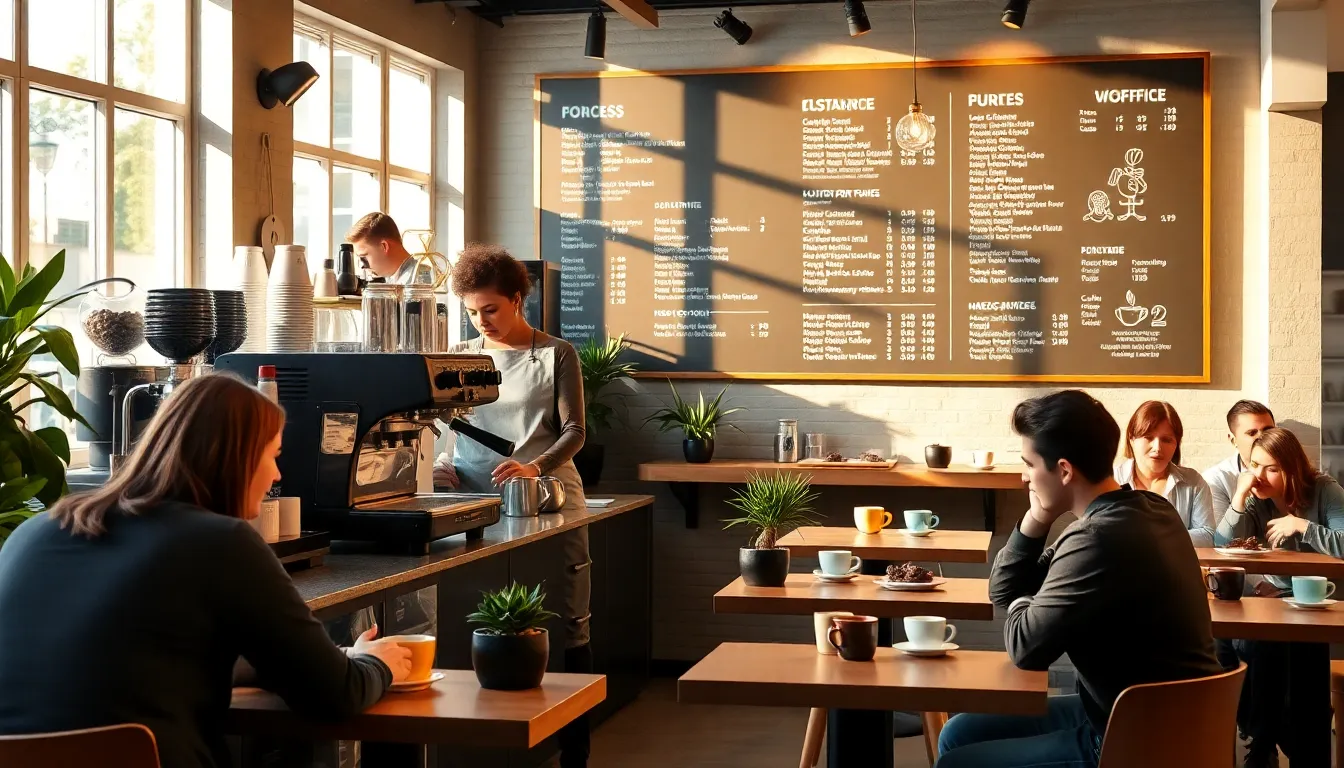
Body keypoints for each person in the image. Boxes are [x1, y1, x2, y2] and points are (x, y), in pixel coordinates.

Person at [0, 374, 412, 768]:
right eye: (273, 455)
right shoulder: (222, 541)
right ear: (239, 457)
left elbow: (119, 657)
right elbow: (334, 694)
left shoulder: (34, 531)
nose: (276, 475)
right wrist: (377, 663)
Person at [935, 390, 1221, 768]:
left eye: (1029, 464)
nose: (1024, 476)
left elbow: (1025, 649)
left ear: (1065, 470)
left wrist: (1027, 596)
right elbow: (1002, 587)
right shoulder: (1152, 509)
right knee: (958, 733)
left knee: (958, 761)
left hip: (1135, 742)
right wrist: (1037, 518)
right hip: (1163, 719)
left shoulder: (1096, 538)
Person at [432, 243, 592, 768]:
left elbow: (575, 432)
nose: (483, 322)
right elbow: (442, 424)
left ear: (518, 299)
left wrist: (534, 467)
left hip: (548, 499)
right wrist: (439, 465)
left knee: (568, 620)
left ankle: (574, 754)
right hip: (471, 503)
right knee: (478, 616)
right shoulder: (458, 355)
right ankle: (489, 747)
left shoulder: (554, 354)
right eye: (473, 312)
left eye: (491, 310)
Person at [1216, 426, 1344, 767]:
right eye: (1254, 465)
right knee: (1250, 642)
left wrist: (1302, 527)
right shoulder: (1256, 498)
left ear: (1293, 468)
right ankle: (1265, 740)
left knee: (1295, 647)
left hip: (1321, 601)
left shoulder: (1323, 490)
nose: (1259, 475)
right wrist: (1239, 499)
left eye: (1271, 468)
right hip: (1274, 599)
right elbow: (1222, 544)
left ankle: (1293, 745)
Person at [1113, 400, 1215, 546]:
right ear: (1131, 438)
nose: (1157, 448)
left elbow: (1207, 536)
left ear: (1176, 444)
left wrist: (1154, 537)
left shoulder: (1193, 482)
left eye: (1166, 440)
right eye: (1148, 437)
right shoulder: (1111, 480)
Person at [1203, 400, 1275, 517]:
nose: (1262, 438)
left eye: (1268, 430)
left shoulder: (1292, 471)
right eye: (1252, 433)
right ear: (1233, 440)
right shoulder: (1216, 480)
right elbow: (1219, 534)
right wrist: (1240, 497)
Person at [346, 211, 428, 284]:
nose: (362, 265)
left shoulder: (421, 281)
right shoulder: (392, 281)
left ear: (384, 246)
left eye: (363, 257)